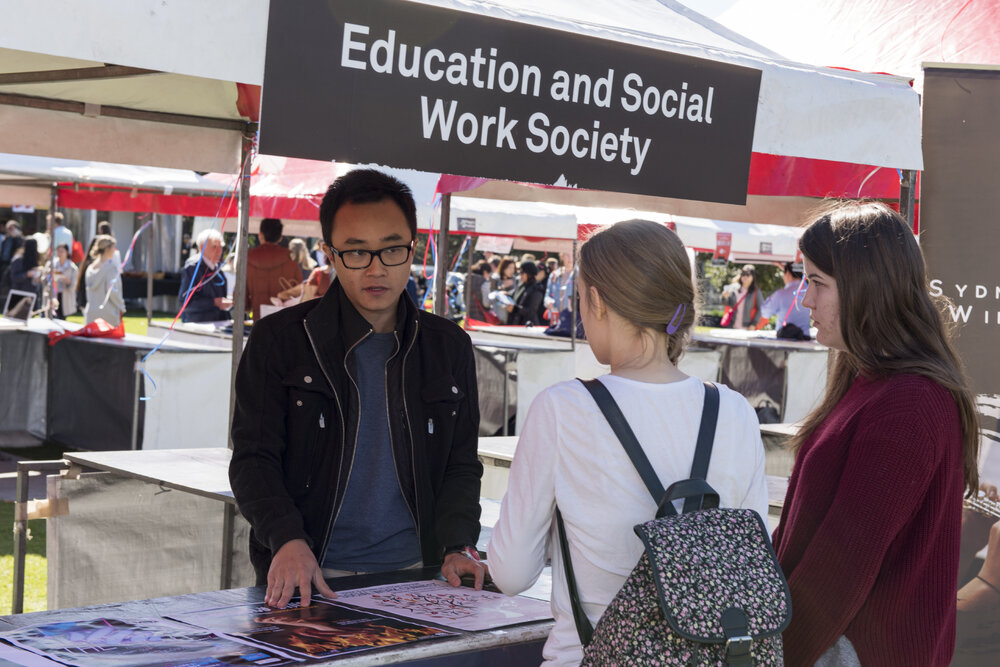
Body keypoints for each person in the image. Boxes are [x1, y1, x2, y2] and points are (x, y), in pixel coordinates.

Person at [488, 219, 768, 665]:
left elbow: (511, 574)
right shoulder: (734, 411)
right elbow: (749, 561)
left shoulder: (563, 409)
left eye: (580, 298)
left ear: (596, 300)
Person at [230, 168, 486, 611]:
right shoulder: (281, 341)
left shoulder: (449, 346)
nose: (376, 269)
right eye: (355, 253)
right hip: (307, 577)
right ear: (330, 253)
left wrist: (458, 543)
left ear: (413, 248)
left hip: (420, 576)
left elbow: (461, 466)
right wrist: (286, 537)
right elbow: (254, 460)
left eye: (391, 250)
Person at [770, 201, 980, 665]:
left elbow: (839, 570)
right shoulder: (872, 380)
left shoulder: (909, 402)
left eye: (818, 283)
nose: (804, 299)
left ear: (868, 287)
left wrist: (772, 655)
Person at [246, 218, 303, 320]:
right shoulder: (291, 262)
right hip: (284, 323)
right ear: (280, 238)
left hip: (258, 322)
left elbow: (242, 300)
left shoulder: (247, 261)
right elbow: (300, 293)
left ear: (260, 235)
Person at [178, 229, 232, 323]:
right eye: (214, 247)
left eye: (221, 247)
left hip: (217, 326)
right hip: (198, 326)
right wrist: (214, 302)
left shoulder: (218, 269)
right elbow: (185, 303)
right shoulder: (193, 268)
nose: (219, 251)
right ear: (202, 247)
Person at [761, 262, 811, 340]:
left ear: (787, 273)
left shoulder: (781, 294)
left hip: (785, 341)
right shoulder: (810, 293)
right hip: (805, 339)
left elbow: (765, 313)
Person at [83, 235, 125, 327]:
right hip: (108, 316)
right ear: (108, 249)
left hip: (91, 314)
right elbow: (113, 292)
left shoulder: (90, 268)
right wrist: (121, 306)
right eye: (114, 248)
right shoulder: (111, 269)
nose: (114, 251)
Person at [721, 264, 763, 329]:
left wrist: (754, 324)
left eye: (748, 274)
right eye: (743, 274)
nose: (745, 276)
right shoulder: (734, 288)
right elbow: (726, 303)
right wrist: (724, 297)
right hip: (732, 326)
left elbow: (761, 308)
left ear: (753, 277)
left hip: (747, 328)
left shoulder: (756, 292)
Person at [506, 260, 545, 326]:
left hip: (528, 327)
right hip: (516, 324)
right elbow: (515, 297)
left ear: (529, 273)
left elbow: (531, 311)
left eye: (522, 272)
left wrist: (515, 309)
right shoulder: (522, 285)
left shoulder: (537, 289)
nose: (520, 275)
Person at [46, 244, 78, 318]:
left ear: (67, 252)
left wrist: (66, 280)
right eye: (58, 251)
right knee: (52, 315)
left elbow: (73, 285)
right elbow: (45, 279)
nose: (60, 254)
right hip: (53, 293)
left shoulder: (72, 267)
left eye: (62, 251)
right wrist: (49, 274)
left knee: (62, 316)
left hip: (64, 295)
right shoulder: (52, 264)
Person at [544, 251, 575, 322]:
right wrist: (549, 302)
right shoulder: (554, 274)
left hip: (572, 319)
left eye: (573, 255)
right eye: (567, 255)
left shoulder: (579, 275)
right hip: (556, 318)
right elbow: (547, 295)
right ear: (562, 256)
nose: (570, 258)